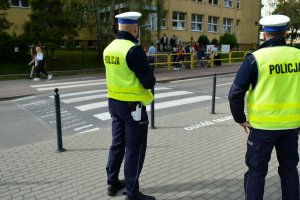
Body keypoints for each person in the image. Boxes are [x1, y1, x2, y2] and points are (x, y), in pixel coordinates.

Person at [228, 14, 300, 200]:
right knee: (290, 170)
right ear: (284, 32)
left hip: (262, 128)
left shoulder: (255, 59)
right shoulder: (298, 56)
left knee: (257, 172)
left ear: (264, 34)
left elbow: (235, 93)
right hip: (291, 127)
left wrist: (240, 119)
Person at [103, 11, 156, 200]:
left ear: (119, 27)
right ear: (135, 28)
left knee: (117, 143)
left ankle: (112, 182)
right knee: (135, 149)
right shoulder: (134, 49)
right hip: (133, 108)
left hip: (114, 103)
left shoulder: (109, 48)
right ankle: (132, 193)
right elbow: (148, 81)